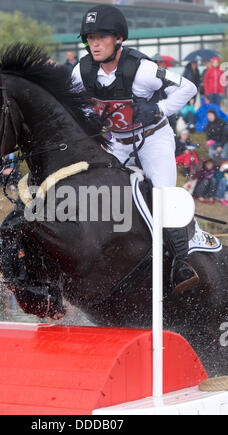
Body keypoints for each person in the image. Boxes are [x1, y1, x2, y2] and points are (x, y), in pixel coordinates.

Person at [72, 4, 197, 287]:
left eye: (101, 37)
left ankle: (182, 264)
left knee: (163, 195)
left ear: (119, 39)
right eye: (90, 38)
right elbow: (75, 106)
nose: (95, 43)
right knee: (96, 195)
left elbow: (189, 88)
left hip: (153, 139)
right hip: (117, 143)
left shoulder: (142, 70)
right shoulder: (81, 72)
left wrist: (158, 109)